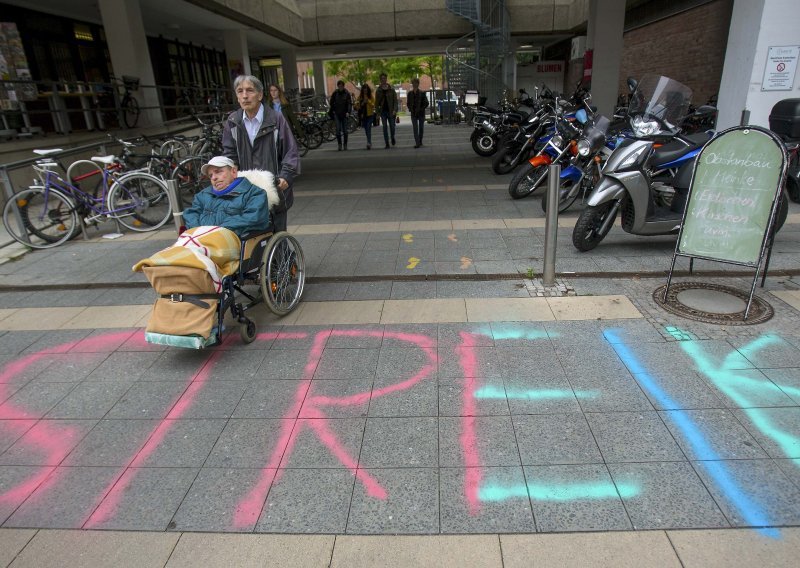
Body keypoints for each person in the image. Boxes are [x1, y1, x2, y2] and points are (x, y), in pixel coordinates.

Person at [222, 74, 300, 232]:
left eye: (250, 90)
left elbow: (290, 151)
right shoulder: (232, 122)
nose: (245, 96)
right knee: (250, 235)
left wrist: (286, 175)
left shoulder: (276, 119)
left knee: (276, 232)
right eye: (240, 91)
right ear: (237, 96)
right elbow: (229, 155)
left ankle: (283, 256)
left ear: (259, 94)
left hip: (273, 186)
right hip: (245, 189)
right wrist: (227, 175)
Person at [182, 156, 269, 238]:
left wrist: (216, 231)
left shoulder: (254, 193)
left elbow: (252, 218)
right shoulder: (202, 195)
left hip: (227, 241)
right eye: (210, 175)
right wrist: (198, 232)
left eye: (218, 172)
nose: (214, 178)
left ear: (233, 172)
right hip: (199, 238)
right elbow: (191, 214)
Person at [375, 73, 398, 149]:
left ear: (386, 79)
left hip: (391, 111)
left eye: (384, 78)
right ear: (380, 80)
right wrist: (378, 113)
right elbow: (376, 103)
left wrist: (395, 110)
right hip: (383, 112)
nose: (383, 80)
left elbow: (395, 101)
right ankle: (387, 143)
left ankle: (392, 137)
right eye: (382, 79)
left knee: (392, 126)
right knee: (384, 127)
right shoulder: (378, 90)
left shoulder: (391, 89)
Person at [329, 79, 353, 151]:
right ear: (338, 86)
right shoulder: (335, 93)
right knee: (338, 130)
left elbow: (349, 103)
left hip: (345, 114)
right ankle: (339, 144)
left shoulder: (347, 93)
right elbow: (331, 102)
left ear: (343, 86)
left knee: (345, 131)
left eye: (341, 86)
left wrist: (348, 112)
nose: (340, 87)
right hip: (337, 114)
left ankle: (345, 144)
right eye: (339, 86)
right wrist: (333, 110)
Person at [407, 78, 429, 148]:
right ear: (412, 84)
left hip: (421, 113)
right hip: (413, 113)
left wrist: (421, 109)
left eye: (416, 83)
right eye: (413, 83)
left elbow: (426, 103)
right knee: (415, 128)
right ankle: (417, 143)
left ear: (418, 84)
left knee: (421, 128)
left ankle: (420, 141)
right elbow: (408, 103)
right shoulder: (410, 94)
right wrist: (410, 109)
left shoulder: (422, 93)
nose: (415, 84)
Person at [355, 83, 375, 150]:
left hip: (370, 115)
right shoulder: (360, 97)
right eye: (364, 89)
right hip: (364, 116)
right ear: (362, 90)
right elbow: (356, 106)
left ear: (368, 90)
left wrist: (368, 101)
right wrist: (362, 103)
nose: (365, 91)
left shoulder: (370, 96)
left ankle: (368, 142)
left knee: (368, 128)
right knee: (366, 130)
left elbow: (373, 105)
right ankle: (369, 141)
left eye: (366, 89)